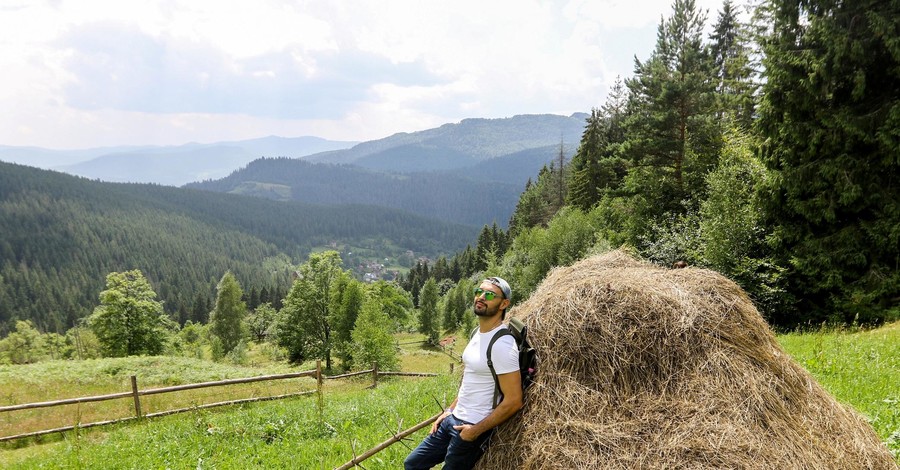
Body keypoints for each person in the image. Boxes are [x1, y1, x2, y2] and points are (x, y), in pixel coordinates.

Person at [404, 277, 523, 470]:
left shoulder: (502, 345)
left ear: (504, 303)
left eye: (490, 294)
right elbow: (470, 380)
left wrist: (474, 432)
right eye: (479, 292)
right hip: (453, 419)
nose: (481, 297)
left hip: (472, 426)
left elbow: (514, 400)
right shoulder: (477, 332)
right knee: (413, 464)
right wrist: (449, 410)